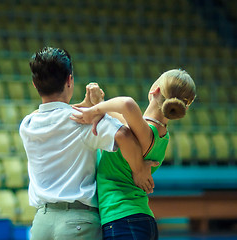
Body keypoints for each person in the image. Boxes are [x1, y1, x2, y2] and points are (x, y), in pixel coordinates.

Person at [19, 47, 157, 240]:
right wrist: (139, 169)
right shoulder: (82, 122)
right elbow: (124, 134)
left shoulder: (27, 125)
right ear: (70, 80)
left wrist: (85, 106)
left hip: (41, 223)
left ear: (34, 84)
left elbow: (51, 112)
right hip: (78, 223)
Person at [71, 69, 196, 240]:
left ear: (155, 89)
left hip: (123, 219)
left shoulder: (145, 132)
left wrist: (94, 110)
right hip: (137, 220)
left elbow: (127, 105)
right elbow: (120, 118)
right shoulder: (160, 134)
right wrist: (98, 104)